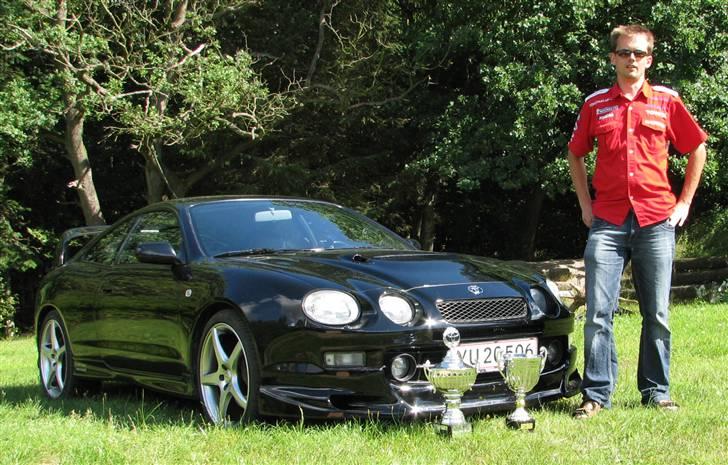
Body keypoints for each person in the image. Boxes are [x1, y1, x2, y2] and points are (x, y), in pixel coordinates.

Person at [566, 24, 708, 419]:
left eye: (640, 54)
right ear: (613, 57)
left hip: (656, 219)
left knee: (657, 313)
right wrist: (584, 206)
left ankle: (657, 391)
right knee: (597, 312)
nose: (632, 60)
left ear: (650, 59)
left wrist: (684, 203)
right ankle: (596, 394)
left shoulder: (666, 101)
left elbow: (696, 147)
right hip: (608, 222)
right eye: (625, 52)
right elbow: (575, 153)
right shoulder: (596, 104)